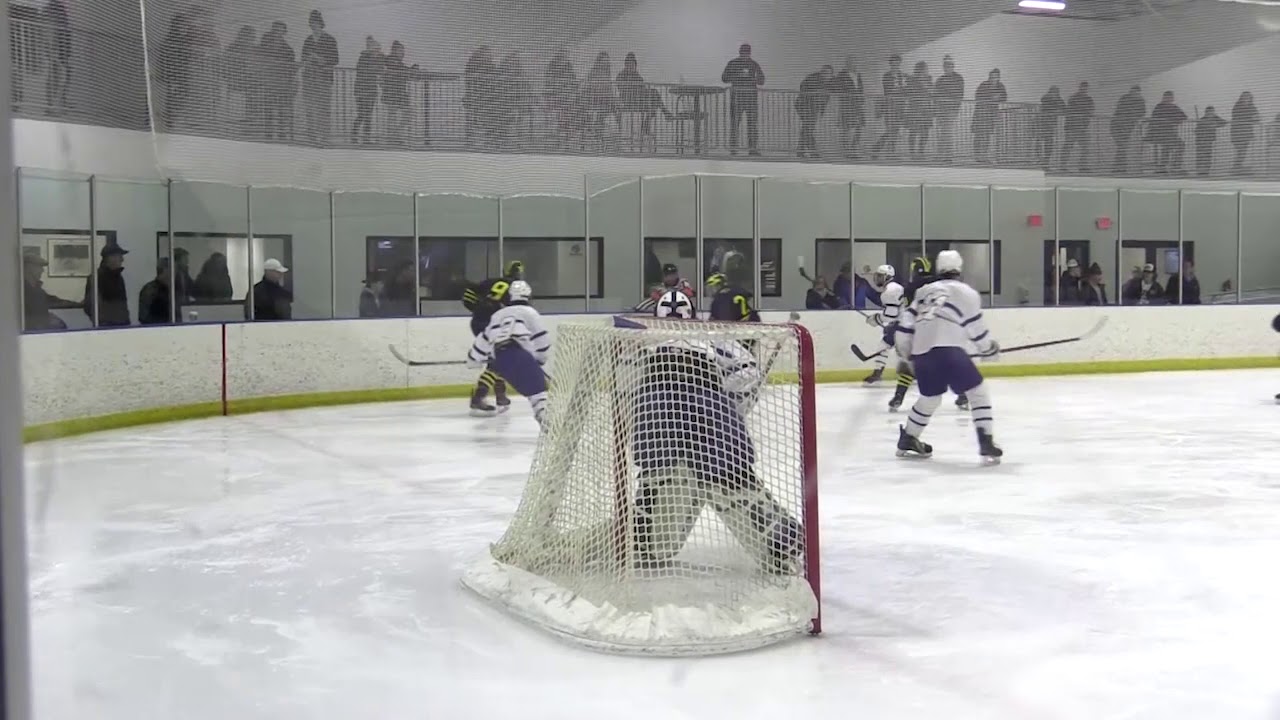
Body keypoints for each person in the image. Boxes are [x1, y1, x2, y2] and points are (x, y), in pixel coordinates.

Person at [627, 289, 801, 572]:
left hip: (657, 421)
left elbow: (629, 381)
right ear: (693, 316)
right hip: (712, 418)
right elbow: (747, 372)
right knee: (734, 485)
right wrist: (728, 403)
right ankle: (783, 543)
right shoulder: (710, 338)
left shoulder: (644, 341)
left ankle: (643, 543)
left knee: (656, 480)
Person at [893, 250, 1002, 463]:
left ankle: (909, 437)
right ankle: (986, 441)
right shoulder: (966, 292)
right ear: (959, 270)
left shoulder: (923, 292)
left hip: (921, 355)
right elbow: (975, 328)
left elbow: (905, 325)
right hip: (950, 352)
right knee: (978, 392)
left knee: (930, 398)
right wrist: (989, 348)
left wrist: (907, 356)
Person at [465, 280, 550, 424]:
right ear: (528, 297)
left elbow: (485, 337)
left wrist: (474, 358)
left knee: (496, 367)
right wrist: (540, 359)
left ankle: (498, 394)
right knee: (539, 395)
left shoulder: (499, 313)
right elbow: (541, 338)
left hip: (499, 356)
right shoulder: (530, 312)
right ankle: (548, 426)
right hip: (519, 355)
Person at [461, 260, 524, 414]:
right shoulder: (518, 290)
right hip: (495, 326)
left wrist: (477, 308)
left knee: (500, 357)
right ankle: (479, 396)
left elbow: (469, 293)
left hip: (477, 322)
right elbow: (519, 313)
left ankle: (500, 394)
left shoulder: (492, 281)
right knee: (498, 361)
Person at [861, 265, 902, 385]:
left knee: (885, 345)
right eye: (877, 275)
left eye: (880, 276)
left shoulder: (889, 291)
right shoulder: (894, 288)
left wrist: (876, 319)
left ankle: (877, 373)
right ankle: (878, 372)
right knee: (885, 345)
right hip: (905, 323)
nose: (877, 278)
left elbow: (891, 314)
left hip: (904, 324)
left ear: (887, 277)